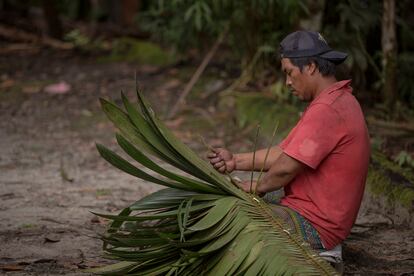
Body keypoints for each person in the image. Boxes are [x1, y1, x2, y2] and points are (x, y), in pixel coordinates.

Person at [208, 30, 370, 255]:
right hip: (311, 212)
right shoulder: (337, 100)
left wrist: (257, 187)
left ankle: (321, 254)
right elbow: (286, 153)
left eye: (290, 73)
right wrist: (235, 161)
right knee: (241, 193)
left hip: (314, 226)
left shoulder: (327, 110)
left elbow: (285, 169)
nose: (287, 82)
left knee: (230, 211)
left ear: (311, 67)